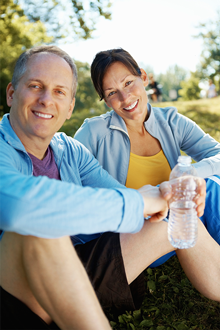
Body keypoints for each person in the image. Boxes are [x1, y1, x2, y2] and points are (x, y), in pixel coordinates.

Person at [0, 46, 220, 330]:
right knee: (40, 230)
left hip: (77, 265)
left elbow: (116, 194)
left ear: (69, 108)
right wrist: (143, 201)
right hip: (16, 283)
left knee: (172, 219)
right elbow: (19, 209)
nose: (46, 99)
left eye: (59, 92)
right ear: (11, 93)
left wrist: (169, 192)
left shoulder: (71, 150)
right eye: (35, 86)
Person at [74, 47, 220, 266]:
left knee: (211, 186)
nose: (125, 97)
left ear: (142, 76)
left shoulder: (171, 121)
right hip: (139, 231)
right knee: (212, 188)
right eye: (112, 93)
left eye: (128, 83)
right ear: (105, 100)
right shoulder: (93, 132)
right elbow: (68, 187)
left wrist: (191, 175)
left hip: (179, 215)